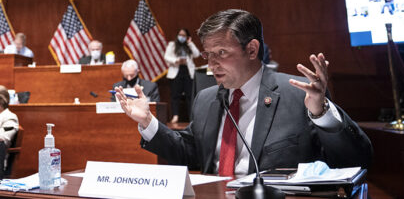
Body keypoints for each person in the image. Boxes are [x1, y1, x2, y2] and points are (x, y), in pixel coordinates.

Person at [115, 9, 373, 177]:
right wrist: (148, 123)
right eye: (207, 54)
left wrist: (322, 113)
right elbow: (189, 153)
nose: (211, 63)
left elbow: (355, 160)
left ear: (251, 50)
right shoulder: (206, 99)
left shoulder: (298, 94)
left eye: (222, 53)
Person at [164, 28, 201, 123]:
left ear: (187, 37)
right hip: (176, 72)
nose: (182, 37)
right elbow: (166, 57)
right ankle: (175, 116)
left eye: (184, 35)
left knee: (190, 96)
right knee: (175, 95)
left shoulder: (188, 45)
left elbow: (197, 54)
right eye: (180, 35)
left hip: (188, 72)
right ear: (177, 35)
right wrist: (176, 60)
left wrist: (190, 43)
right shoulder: (172, 45)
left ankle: (191, 117)